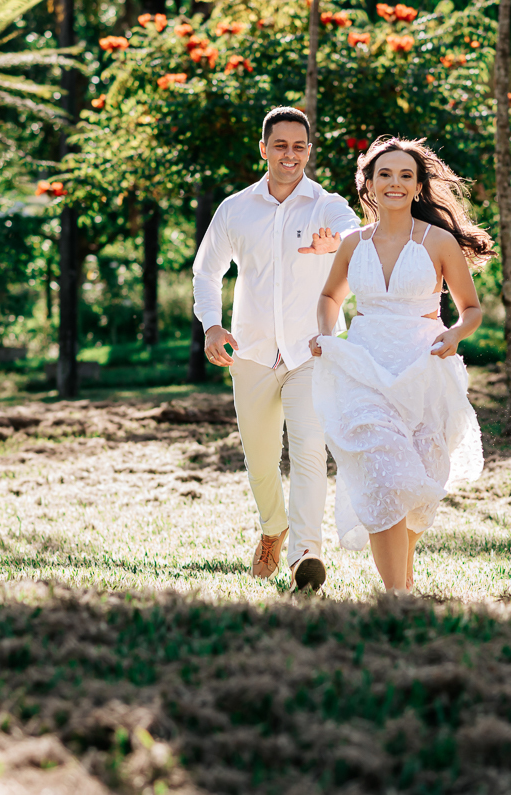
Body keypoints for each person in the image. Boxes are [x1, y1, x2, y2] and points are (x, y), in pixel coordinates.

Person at [308, 137, 490, 592]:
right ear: (368, 183)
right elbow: (331, 296)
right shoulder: (353, 242)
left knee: (417, 480)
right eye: (384, 174)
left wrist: (455, 334)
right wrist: (327, 335)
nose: (395, 182)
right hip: (364, 369)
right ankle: (396, 597)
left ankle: (403, 580)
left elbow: (471, 310)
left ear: (418, 185)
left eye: (405, 175)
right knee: (381, 476)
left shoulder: (439, 241)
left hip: (422, 370)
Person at [193, 107, 360, 592]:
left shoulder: (326, 205)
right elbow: (207, 271)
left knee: (309, 451)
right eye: (281, 146)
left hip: (312, 350)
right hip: (250, 350)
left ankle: (305, 555)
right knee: (261, 459)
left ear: (309, 150)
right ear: (264, 149)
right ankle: (273, 526)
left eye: (300, 146)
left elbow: (354, 234)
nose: (291, 155)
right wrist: (211, 326)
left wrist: (337, 244)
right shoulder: (235, 209)